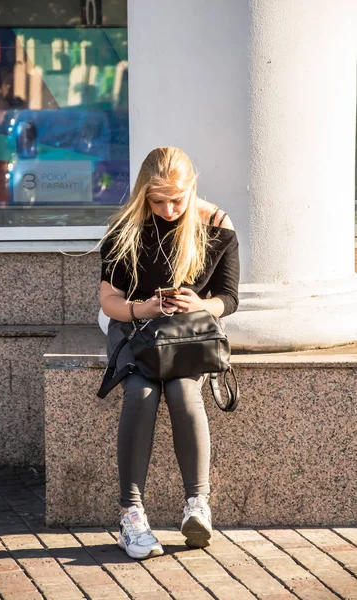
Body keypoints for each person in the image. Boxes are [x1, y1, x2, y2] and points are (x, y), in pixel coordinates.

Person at [99, 146, 240, 560]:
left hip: (187, 333)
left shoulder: (215, 224)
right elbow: (109, 299)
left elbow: (229, 298)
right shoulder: (126, 227)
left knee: (182, 390)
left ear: (191, 187)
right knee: (141, 393)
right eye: (156, 200)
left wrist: (199, 304)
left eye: (176, 199)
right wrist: (141, 308)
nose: (167, 208)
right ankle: (131, 515)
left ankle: (197, 506)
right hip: (135, 328)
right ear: (144, 193)